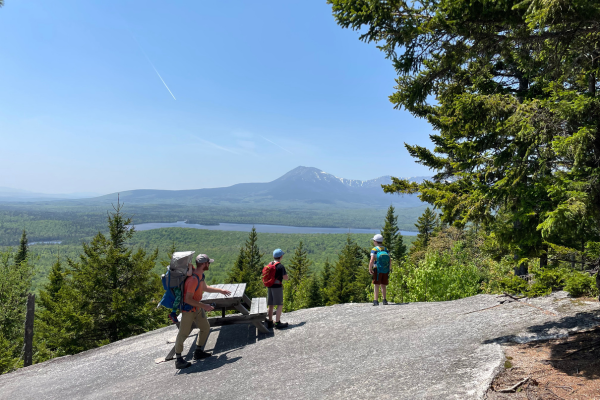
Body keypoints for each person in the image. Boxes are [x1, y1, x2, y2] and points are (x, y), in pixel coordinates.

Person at [174, 254, 231, 370]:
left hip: (197, 308)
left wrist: (221, 291)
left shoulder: (200, 276)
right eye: (208, 263)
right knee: (183, 333)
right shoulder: (193, 279)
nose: (209, 264)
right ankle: (179, 360)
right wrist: (204, 305)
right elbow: (187, 299)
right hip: (188, 310)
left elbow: (205, 288)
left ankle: (198, 351)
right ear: (204, 264)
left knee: (205, 327)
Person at [266, 248, 289, 329]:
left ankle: (269, 321)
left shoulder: (270, 264)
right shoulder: (280, 266)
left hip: (269, 286)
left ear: (273, 256)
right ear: (281, 256)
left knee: (271, 304)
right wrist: (287, 277)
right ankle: (277, 322)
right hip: (277, 287)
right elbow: (285, 278)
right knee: (280, 304)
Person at [369, 234, 391, 306]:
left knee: (376, 285)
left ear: (375, 241)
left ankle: (375, 301)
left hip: (377, 269)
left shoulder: (374, 249)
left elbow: (372, 260)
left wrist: (370, 268)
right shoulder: (385, 249)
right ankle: (384, 300)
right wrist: (389, 268)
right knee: (383, 285)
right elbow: (389, 260)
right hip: (385, 269)